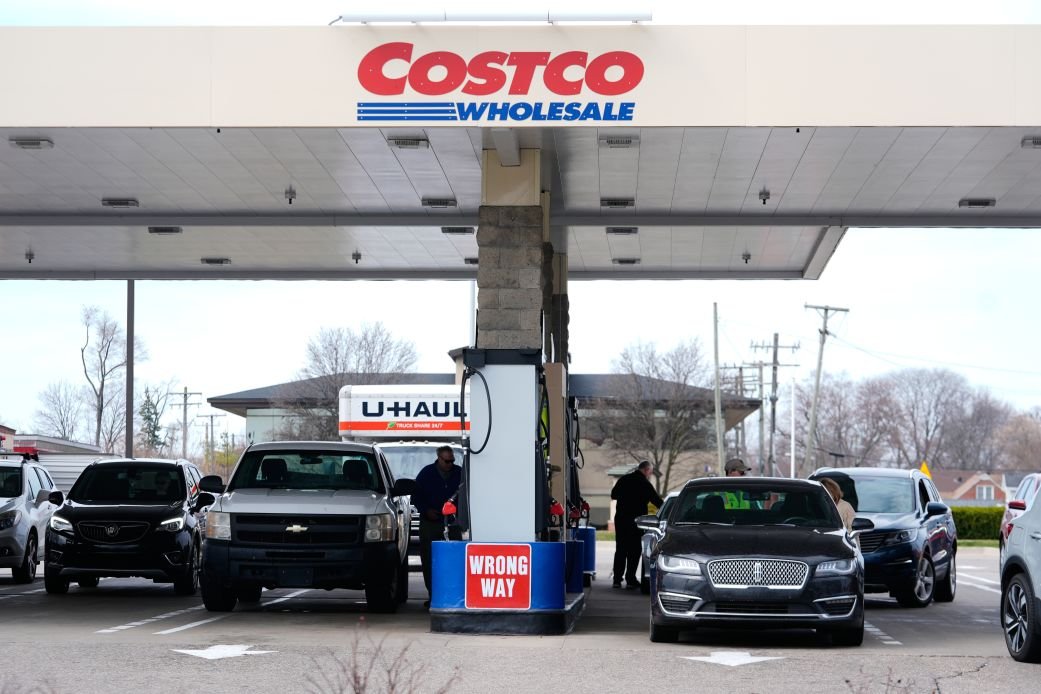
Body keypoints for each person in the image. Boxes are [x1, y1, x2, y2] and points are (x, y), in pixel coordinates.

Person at [412, 445, 462, 607]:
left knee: (455, 558)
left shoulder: (459, 473)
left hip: (452, 523)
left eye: (452, 461)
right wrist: (426, 511)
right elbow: (416, 496)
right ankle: (433, 595)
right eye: (447, 461)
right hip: (430, 522)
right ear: (439, 459)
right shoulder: (426, 474)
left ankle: (454, 594)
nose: (450, 464)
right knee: (429, 559)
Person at [610, 460, 663, 590]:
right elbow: (657, 501)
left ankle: (617, 580)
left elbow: (613, 495)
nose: (649, 475)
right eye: (650, 472)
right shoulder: (645, 483)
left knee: (621, 549)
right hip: (636, 521)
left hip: (621, 519)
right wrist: (666, 511)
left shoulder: (624, 479)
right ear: (646, 470)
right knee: (634, 550)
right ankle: (630, 579)